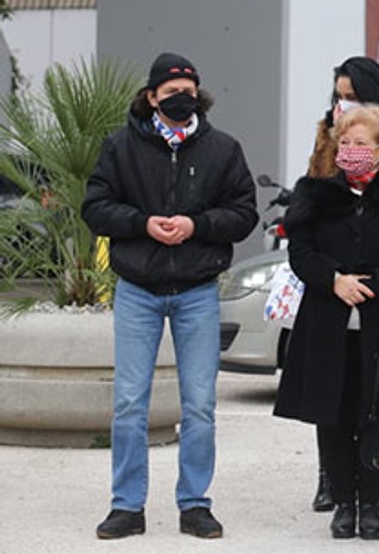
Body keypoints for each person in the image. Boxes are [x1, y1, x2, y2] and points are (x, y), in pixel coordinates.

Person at [83, 52, 258, 539]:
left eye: (189, 91)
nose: (181, 99)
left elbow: (245, 213)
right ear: (151, 97)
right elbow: (95, 207)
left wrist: (195, 226)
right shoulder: (119, 147)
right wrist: (143, 224)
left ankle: (195, 504)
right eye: (171, 92)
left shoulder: (223, 149)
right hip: (137, 288)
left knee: (200, 405)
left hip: (198, 290)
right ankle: (126, 506)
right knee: (129, 404)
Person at [273, 104, 379, 540]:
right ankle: (343, 501)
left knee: (378, 411)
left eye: (361, 144)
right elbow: (301, 252)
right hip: (330, 320)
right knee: (335, 413)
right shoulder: (317, 196)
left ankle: (373, 501)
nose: (351, 151)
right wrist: (334, 281)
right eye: (344, 143)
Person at [305, 56, 379, 514]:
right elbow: (310, 211)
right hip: (332, 276)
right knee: (331, 395)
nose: (342, 103)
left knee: (378, 396)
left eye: (351, 95)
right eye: (338, 94)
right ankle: (332, 484)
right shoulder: (327, 137)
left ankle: (376, 483)